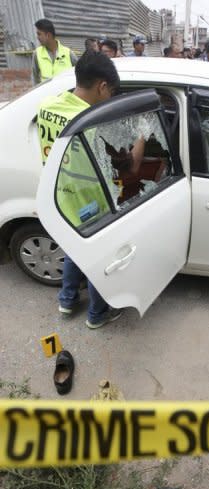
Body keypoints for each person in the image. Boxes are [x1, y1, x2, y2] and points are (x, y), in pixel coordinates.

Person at [37, 51, 123, 329]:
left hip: (60, 197)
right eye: (111, 92)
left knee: (73, 248)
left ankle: (67, 299)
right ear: (102, 86)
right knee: (98, 259)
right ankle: (98, 315)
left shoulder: (47, 106)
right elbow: (126, 163)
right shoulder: (92, 121)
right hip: (92, 202)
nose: (110, 98)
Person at [32, 18, 77, 85]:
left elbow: (80, 74)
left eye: (39, 34)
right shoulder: (37, 53)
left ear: (48, 35)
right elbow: (35, 78)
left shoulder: (68, 53)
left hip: (65, 94)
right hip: (47, 94)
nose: (37, 37)